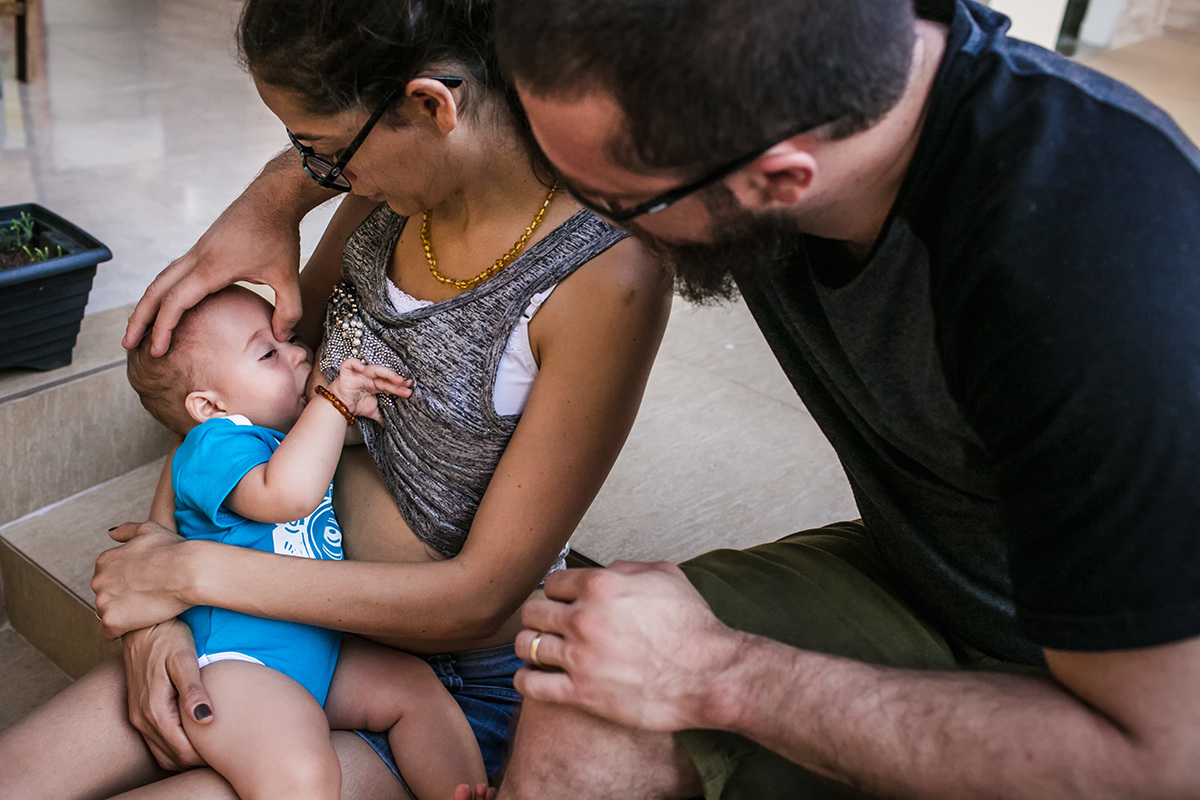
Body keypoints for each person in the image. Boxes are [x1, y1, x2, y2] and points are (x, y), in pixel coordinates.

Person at [483, 0, 1200, 798]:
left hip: (1106, 686)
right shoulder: (821, 76)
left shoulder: (1092, 277)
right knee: (581, 692)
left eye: (615, 202)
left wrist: (718, 672)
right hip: (934, 574)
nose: (586, 216)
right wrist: (314, 186)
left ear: (784, 179)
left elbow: (1160, 760)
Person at [0, 0, 668, 796]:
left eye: (319, 153)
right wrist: (159, 611)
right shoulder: (391, 194)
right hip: (263, 623)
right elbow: (230, 418)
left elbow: (479, 600)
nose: (317, 178)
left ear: (429, 106)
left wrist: (187, 575)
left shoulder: (601, 276)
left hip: (436, 688)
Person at [124, 284, 488, 800]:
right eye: (269, 353)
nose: (300, 354)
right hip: (238, 664)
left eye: (291, 338)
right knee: (302, 775)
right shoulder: (212, 446)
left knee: (414, 691)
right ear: (208, 405)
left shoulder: (280, 436)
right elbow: (286, 494)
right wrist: (334, 402)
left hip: (313, 652)